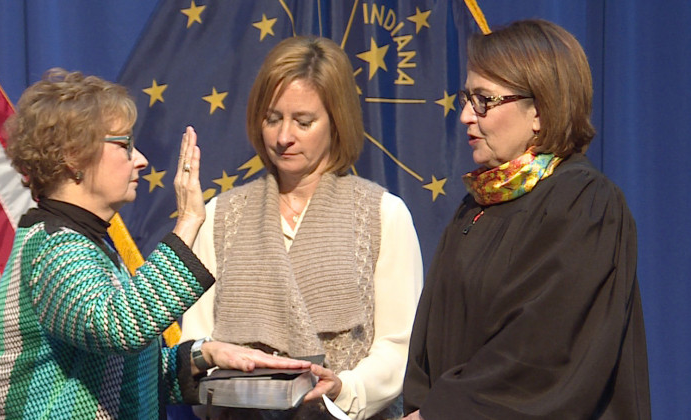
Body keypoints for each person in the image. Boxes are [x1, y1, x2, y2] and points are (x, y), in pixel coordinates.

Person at [0, 69, 311, 420]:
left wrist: (208, 354)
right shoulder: (54, 247)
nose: (139, 159)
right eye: (124, 144)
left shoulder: (88, 244)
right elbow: (118, 326)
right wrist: (187, 221)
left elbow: (124, 374)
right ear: (73, 156)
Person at [402, 20, 651, 419]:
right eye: (467, 97)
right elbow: (428, 349)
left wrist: (441, 412)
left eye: (483, 100)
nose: (466, 115)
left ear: (540, 110)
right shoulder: (475, 208)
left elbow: (545, 352)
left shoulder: (584, 203)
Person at [180, 36, 423, 419]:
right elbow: (195, 341)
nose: (283, 137)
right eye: (272, 119)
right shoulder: (219, 216)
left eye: (303, 122)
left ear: (337, 121)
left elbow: (399, 345)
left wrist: (345, 388)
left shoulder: (383, 215)